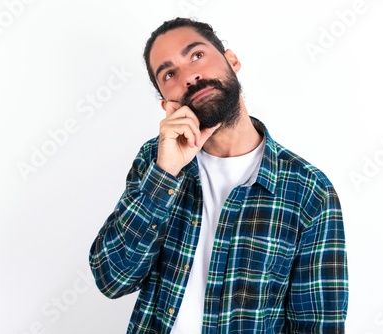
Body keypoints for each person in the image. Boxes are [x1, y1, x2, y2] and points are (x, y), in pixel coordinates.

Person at [89, 17, 348, 333]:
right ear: (165, 102)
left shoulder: (309, 190)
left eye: (196, 55)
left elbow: (317, 325)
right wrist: (165, 174)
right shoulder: (155, 161)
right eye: (169, 73)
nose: (189, 76)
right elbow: (112, 280)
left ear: (232, 60)